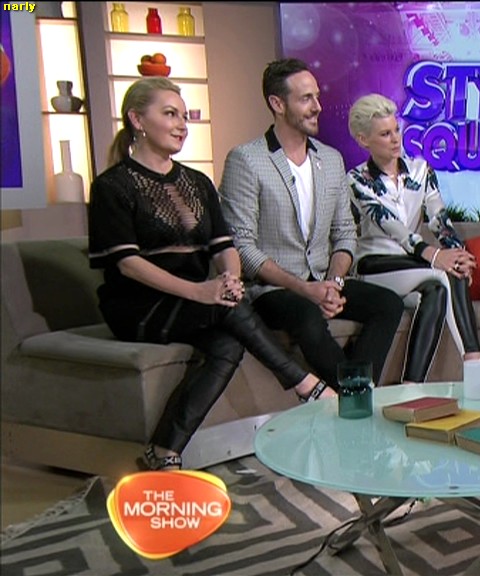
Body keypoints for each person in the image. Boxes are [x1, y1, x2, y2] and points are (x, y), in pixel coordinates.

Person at [88, 77, 336, 471]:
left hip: (197, 302)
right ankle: (304, 384)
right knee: (226, 311)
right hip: (139, 305)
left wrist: (230, 280)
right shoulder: (112, 186)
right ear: (137, 119)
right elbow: (127, 264)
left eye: (184, 116)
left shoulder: (197, 182)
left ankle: (164, 450)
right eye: (170, 114)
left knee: (227, 345)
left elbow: (225, 247)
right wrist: (201, 292)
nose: (181, 125)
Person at [219, 59, 404, 387]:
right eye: (306, 98)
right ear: (277, 104)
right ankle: (357, 395)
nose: (317, 106)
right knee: (306, 314)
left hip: (322, 279)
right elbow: (243, 247)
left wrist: (333, 282)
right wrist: (305, 290)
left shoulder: (330, 159)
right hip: (273, 290)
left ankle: (355, 391)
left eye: (317, 97)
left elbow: (345, 233)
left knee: (388, 304)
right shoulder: (246, 160)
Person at [347, 93, 480, 383]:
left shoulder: (421, 171)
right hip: (374, 265)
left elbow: (439, 218)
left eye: (396, 129)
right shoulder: (356, 180)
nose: (395, 139)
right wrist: (436, 256)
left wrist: (458, 252)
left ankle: (411, 386)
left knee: (436, 292)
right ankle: (476, 364)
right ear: (363, 140)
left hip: (411, 265)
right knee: (445, 272)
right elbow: (391, 226)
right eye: (385, 134)